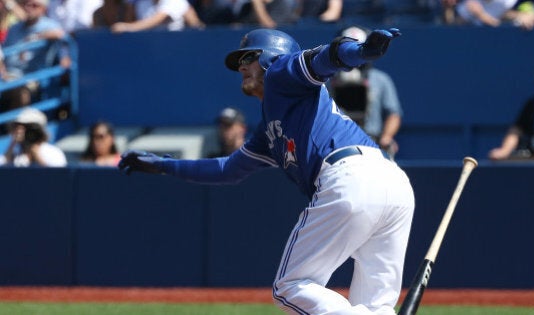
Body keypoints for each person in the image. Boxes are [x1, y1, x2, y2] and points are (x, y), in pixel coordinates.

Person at [118, 28, 415, 314]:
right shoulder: (270, 127)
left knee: (291, 286)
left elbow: (323, 59)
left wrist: (361, 51)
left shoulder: (280, 73)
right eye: (240, 62)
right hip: (392, 182)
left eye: (248, 57)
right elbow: (227, 169)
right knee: (376, 306)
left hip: (350, 176)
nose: (241, 67)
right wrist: (164, 165)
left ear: (271, 56)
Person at [328, 26, 404, 159]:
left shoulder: (380, 79)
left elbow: (394, 114)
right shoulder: (330, 81)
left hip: (371, 141)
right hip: (338, 144)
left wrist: (386, 137)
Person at [0, 0, 69, 112]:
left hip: (32, 78)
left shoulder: (49, 25)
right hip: (7, 75)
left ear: (43, 9)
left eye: (34, 5)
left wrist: (39, 36)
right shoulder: (14, 28)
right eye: (26, 3)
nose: (29, 7)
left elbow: (61, 35)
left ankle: (16, 127)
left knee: (20, 91)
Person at [0, 107, 67, 167]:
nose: (20, 131)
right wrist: (12, 145)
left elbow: (56, 177)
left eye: (27, 127)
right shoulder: (15, 153)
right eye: (17, 127)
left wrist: (35, 154)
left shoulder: (53, 153)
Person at [111, 0, 203, 33]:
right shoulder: (142, 4)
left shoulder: (175, 1)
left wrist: (128, 27)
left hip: (174, 49)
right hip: (149, 49)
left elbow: (156, 19)